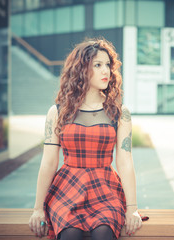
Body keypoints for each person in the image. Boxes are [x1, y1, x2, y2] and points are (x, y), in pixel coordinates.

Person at [29, 38, 143, 240]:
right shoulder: (57, 112)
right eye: (97, 65)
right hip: (67, 188)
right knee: (70, 235)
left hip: (106, 189)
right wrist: (38, 208)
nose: (105, 71)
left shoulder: (119, 113)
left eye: (108, 65)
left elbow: (125, 162)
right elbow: (49, 162)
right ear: (81, 69)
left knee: (104, 233)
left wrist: (132, 208)